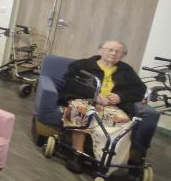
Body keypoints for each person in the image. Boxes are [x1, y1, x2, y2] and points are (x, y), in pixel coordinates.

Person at [58, 40, 154, 173]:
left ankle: (104, 159)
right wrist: (94, 95)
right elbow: (70, 83)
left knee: (123, 121)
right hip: (83, 99)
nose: (114, 53)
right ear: (101, 50)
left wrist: (120, 96)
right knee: (80, 111)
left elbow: (140, 90)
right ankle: (76, 154)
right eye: (110, 50)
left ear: (123, 55)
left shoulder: (126, 70)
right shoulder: (82, 65)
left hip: (110, 106)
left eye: (119, 51)